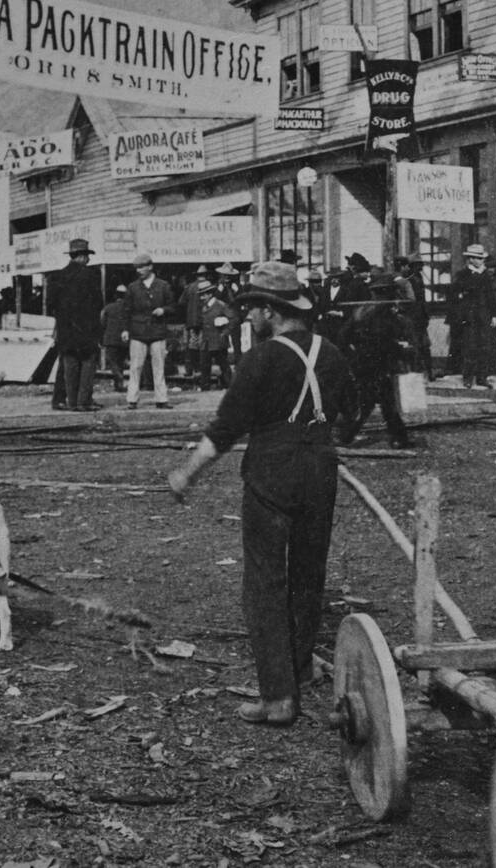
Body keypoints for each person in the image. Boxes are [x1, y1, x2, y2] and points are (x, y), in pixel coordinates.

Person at [166, 262, 359, 727]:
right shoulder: (331, 353)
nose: (249, 316)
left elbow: (225, 429)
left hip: (272, 473)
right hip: (321, 470)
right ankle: (299, 669)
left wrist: (187, 474)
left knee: (265, 582)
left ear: (270, 312)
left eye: (252, 308)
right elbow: (351, 412)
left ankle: (278, 697)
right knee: (308, 576)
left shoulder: (261, 359)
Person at [339, 270, 415, 449]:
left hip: (364, 363)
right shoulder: (383, 314)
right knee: (374, 403)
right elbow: (383, 342)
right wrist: (401, 348)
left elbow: (343, 336)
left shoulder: (361, 310)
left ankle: (398, 437)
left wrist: (353, 354)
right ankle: (347, 436)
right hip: (376, 365)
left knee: (382, 402)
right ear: (386, 293)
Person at [44, 238, 104, 412]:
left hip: (66, 330)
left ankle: (67, 401)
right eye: (87, 256)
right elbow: (98, 303)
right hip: (87, 329)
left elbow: (50, 305)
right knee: (87, 364)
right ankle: (83, 401)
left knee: (67, 365)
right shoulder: (92, 275)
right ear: (83, 256)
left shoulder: (56, 276)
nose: (89, 260)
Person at [121, 253, 175, 410]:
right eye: (136, 268)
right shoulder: (132, 287)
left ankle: (162, 399)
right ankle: (132, 399)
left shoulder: (163, 286)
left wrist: (163, 310)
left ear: (150, 267)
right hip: (138, 332)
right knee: (135, 367)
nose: (138, 271)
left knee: (159, 367)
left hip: (157, 331)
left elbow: (173, 307)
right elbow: (126, 310)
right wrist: (125, 329)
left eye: (141, 267)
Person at [449, 244, 496, 388]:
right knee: (470, 347)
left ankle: (482, 377)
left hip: (484, 316)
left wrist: (494, 315)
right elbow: (454, 295)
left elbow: (491, 296)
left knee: (484, 346)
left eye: (481, 259)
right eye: (478, 258)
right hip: (469, 317)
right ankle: (468, 378)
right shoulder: (462, 275)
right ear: (470, 259)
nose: (481, 261)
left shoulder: (485, 275)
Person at [394, 255, 436, 380]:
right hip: (412, 317)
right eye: (417, 265)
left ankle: (428, 372)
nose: (420, 268)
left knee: (423, 345)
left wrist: (425, 315)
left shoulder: (417, 278)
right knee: (416, 345)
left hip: (420, 317)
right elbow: (410, 300)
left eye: (421, 265)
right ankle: (421, 372)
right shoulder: (408, 280)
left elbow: (422, 300)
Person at [196, 278, 234, 391]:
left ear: (209, 294)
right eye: (201, 295)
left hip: (218, 340)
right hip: (206, 341)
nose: (202, 298)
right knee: (204, 364)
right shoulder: (204, 307)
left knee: (223, 364)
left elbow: (233, 319)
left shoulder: (221, 305)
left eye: (203, 295)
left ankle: (229, 386)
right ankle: (205, 386)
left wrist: (224, 331)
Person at [100, 285, 128, 393]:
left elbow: (102, 322)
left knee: (112, 361)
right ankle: (119, 385)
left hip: (110, 339)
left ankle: (118, 377)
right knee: (120, 362)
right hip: (123, 340)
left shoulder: (108, 308)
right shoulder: (128, 308)